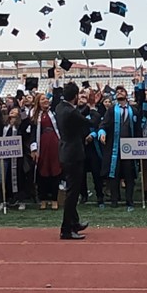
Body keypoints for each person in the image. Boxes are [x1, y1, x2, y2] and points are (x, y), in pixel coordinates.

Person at [56, 82, 93, 240]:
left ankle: (74, 222)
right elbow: (87, 121)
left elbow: (78, 113)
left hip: (66, 152)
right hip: (73, 154)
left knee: (73, 190)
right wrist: (92, 107)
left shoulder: (60, 107)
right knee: (72, 193)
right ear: (76, 96)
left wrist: (87, 107)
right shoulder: (70, 112)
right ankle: (66, 229)